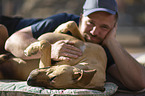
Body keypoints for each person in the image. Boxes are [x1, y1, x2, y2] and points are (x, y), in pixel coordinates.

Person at [2, 0, 145, 91]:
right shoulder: (64, 21)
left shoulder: (102, 47)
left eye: (104, 27)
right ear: (81, 18)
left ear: (114, 27)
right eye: (91, 23)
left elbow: (139, 82)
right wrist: (50, 51)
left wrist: (112, 42)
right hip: (8, 30)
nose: (95, 31)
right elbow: (12, 42)